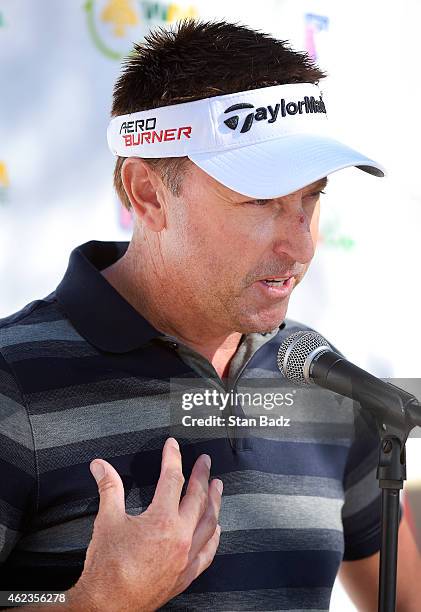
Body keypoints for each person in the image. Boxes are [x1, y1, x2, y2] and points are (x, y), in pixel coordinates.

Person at [0, 18, 420, 612]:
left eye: (312, 197)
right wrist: (94, 601)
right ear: (148, 193)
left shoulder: (323, 378)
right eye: (260, 201)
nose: (298, 244)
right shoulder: (13, 379)